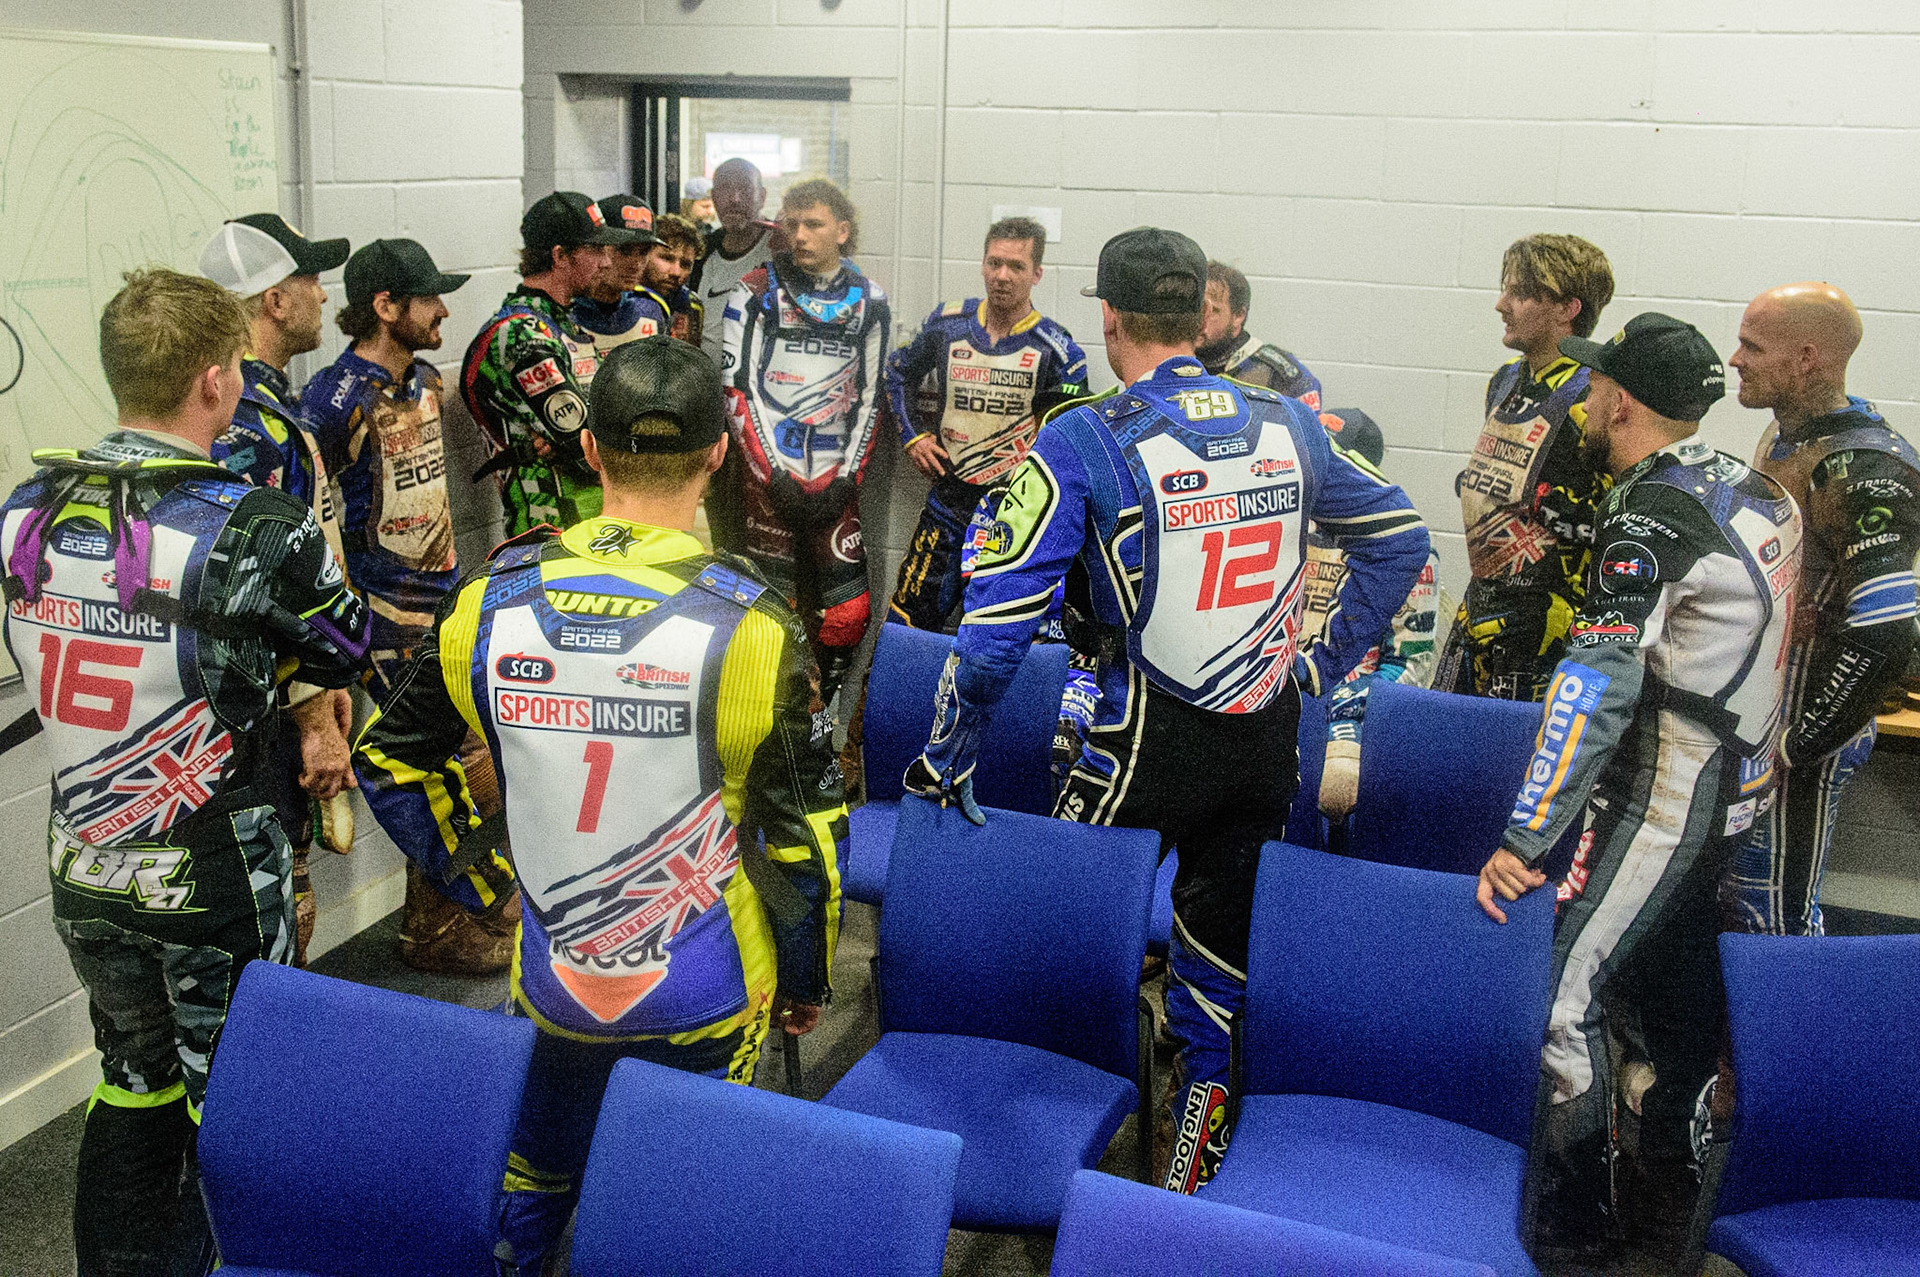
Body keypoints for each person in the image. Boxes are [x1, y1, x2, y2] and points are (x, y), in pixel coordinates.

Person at [905, 228, 1428, 1192]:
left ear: (1107, 317)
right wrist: (1322, 661)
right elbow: (1401, 538)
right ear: (1201, 317)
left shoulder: (1085, 435)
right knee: (1217, 974)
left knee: (1063, 955)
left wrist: (948, 751)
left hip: (1133, 745)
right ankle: (1187, 1186)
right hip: (1267, 739)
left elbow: (994, 633)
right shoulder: (1291, 421)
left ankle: (1040, 1169)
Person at [353, 336, 842, 1271]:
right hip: (708, 990)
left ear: (589, 451)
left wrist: (488, 879)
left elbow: (390, 758)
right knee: (680, 1231)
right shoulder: (757, 626)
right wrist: (810, 977)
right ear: (717, 453)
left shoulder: (487, 603)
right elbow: (808, 839)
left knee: (524, 1209)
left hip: (549, 982)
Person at [1, 268, 368, 1276]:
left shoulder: (23, 506)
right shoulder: (256, 522)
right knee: (243, 1101)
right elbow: (346, 643)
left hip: (84, 867)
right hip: (213, 874)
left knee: (130, 1076)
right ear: (217, 381)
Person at [1474, 314, 1800, 1258]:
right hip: (1738, 786)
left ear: (1618, 397)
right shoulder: (1751, 481)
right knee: (1675, 993)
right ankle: (1669, 1192)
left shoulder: (1652, 511)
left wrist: (1525, 836)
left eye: (1593, 386)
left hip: (1672, 791)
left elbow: (1597, 684)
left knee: (1558, 997)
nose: (1581, 398)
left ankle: (1574, 1231)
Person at [301, 239, 504, 973]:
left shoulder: (426, 379)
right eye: (429, 297)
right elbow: (310, 517)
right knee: (442, 763)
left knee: (461, 758)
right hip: (382, 616)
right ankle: (441, 927)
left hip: (439, 602)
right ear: (386, 307)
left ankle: (436, 918)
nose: (445, 307)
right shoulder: (331, 399)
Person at [1727, 283, 1920, 936]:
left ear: (1807, 357)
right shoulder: (1786, 434)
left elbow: (1889, 633)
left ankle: (1785, 1039)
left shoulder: (1865, 464)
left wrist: (1800, 743)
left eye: (1753, 346)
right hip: (1760, 725)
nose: (1735, 359)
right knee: (1733, 905)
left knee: (1772, 914)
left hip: (1802, 736)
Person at [198, 214, 357, 965]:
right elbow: (268, 593)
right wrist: (314, 714)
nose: (324, 295)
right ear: (272, 300)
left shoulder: (251, 410)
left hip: (241, 715)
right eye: (310, 279)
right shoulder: (253, 427)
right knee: (278, 920)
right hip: (256, 721)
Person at [721, 178, 890, 705]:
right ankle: (772, 719)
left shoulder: (871, 301)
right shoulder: (753, 289)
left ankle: (820, 714)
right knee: (772, 611)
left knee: (847, 613)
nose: (799, 235)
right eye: (791, 223)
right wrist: (772, 475)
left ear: (843, 230)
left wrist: (846, 479)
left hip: (836, 479)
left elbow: (872, 398)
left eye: (813, 224)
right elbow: (736, 390)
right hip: (768, 478)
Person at [882, 216, 1088, 631]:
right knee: (906, 624)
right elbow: (896, 372)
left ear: (1037, 274)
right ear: (981, 264)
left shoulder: (1059, 350)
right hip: (948, 502)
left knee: (997, 634)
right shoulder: (946, 325)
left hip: (1014, 516)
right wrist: (914, 438)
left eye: (1015, 266)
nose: (1002, 276)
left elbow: (1074, 437)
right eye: (994, 263)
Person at [1437, 234, 1615, 702]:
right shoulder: (1505, 379)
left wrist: (1547, 504)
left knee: (1510, 762)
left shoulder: (1592, 395)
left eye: (1519, 293)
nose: (1501, 304)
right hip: (1481, 600)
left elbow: (1614, 520)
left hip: (1548, 619)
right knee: (1444, 737)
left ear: (1567, 308)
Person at [461, 191, 639, 536]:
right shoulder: (522, 334)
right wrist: (578, 443)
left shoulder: (560, 322)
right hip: (550, 535)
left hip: (593, 526)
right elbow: (588, 445)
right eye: (596, 250)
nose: (606, 262)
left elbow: (599, 424)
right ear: (560, 256)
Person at [1299, 409, 1442, 819]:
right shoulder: (1284, 532)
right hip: (1287, 699)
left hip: (1356, 714)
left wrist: (1338, 703)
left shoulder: (1408, 552)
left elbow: (1410, 667)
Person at [694, 159, 784, 555]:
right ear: (712, 198)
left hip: (770, 410)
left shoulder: (779, 248)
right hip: (715, 410)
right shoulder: (700, 256)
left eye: (744, 189)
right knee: (724, 518)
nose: (733, 199)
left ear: (761, 196)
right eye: (724, 189)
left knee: (773, 519)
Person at [1195, 261, 1322, 408]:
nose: (1199, 319)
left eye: (1213, 311)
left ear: (1238, 316)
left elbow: (1308, 427)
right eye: (1195, 308)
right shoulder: (1173, 360)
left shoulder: (1279, 374)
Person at [570, 194, 670, 355]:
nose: (636, 264)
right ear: (597, 248)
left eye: (644, 252)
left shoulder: (651, 308)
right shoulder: (564, 311)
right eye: (624, 250)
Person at [642, 212, 707, 346]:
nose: (676, 272)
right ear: (644, 253)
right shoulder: (621, 299)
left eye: (685, 264)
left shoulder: (691, 305)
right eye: (667, 258)